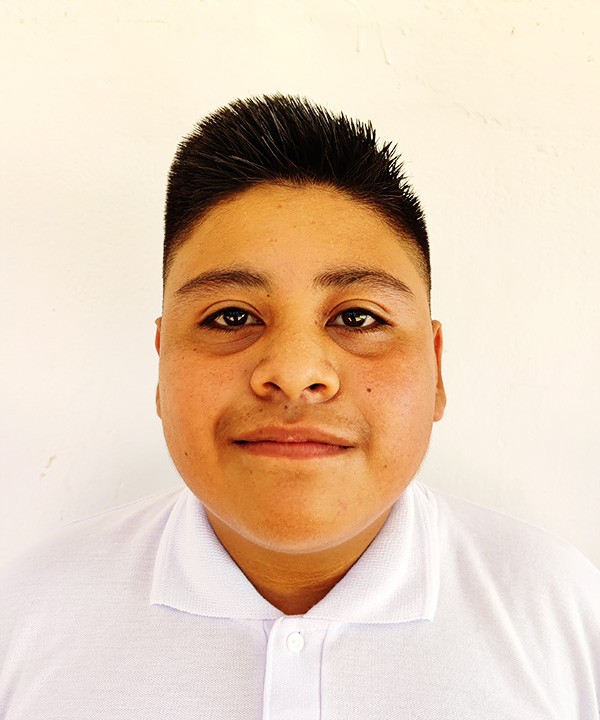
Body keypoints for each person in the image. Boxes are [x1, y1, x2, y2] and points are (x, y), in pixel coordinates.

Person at [1, 95, 598, 718]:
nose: (293, 374)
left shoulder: (563, 618)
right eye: (231, 317)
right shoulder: (27, 619)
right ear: (160, 364)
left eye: (358, 318)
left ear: (437, 367)